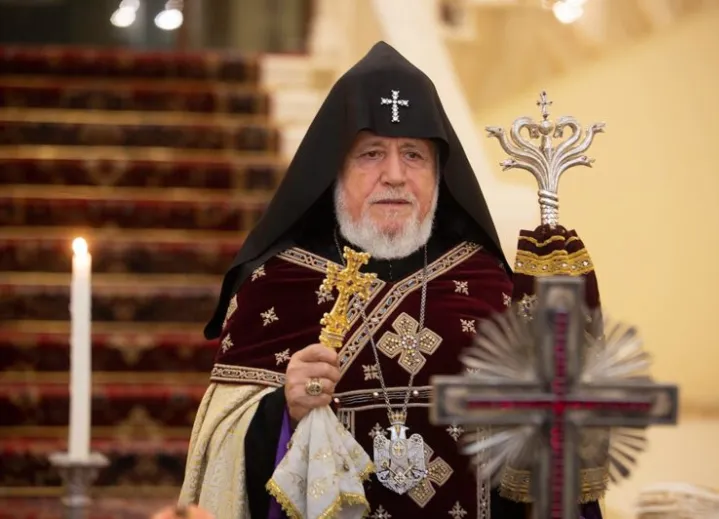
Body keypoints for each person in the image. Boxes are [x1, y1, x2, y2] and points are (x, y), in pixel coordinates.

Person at [178, 41, 604, 519]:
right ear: (334, 169)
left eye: (414, 155)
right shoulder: (275, 286)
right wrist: (281, 412)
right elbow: (221, 452)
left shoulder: (488, 287)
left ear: (439, 172)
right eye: (371, 153)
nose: (395, 175)